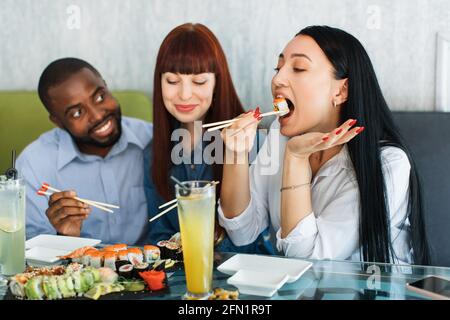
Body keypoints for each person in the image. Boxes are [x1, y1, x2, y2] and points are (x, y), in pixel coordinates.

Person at [218, 26, 430, 264]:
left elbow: (308, 259)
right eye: (278, 68)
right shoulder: (279, 133)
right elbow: (241, 232)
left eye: (298, 68)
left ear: (341, 90)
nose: (277, 79)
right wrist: (235, 154)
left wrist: (295, 159)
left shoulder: (389, 164)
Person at [144, 23, 274, 254]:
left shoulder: (251, 141)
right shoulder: (153, 151)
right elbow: (159, 234)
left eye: (199, 81)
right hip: (183, 281)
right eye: (172, 81)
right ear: (159, 82)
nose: (184, 94)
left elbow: (258, 240)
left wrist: (213, 239)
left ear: (217, 82)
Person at [16, 58, 152, 245]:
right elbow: (29, 250)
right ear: (58, 122)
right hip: (77, 270)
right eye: (77, 113)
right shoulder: (33, 164)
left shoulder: (152, 140)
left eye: (99, 97)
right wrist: (65, 239)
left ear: (105, 86)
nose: (97, 116)